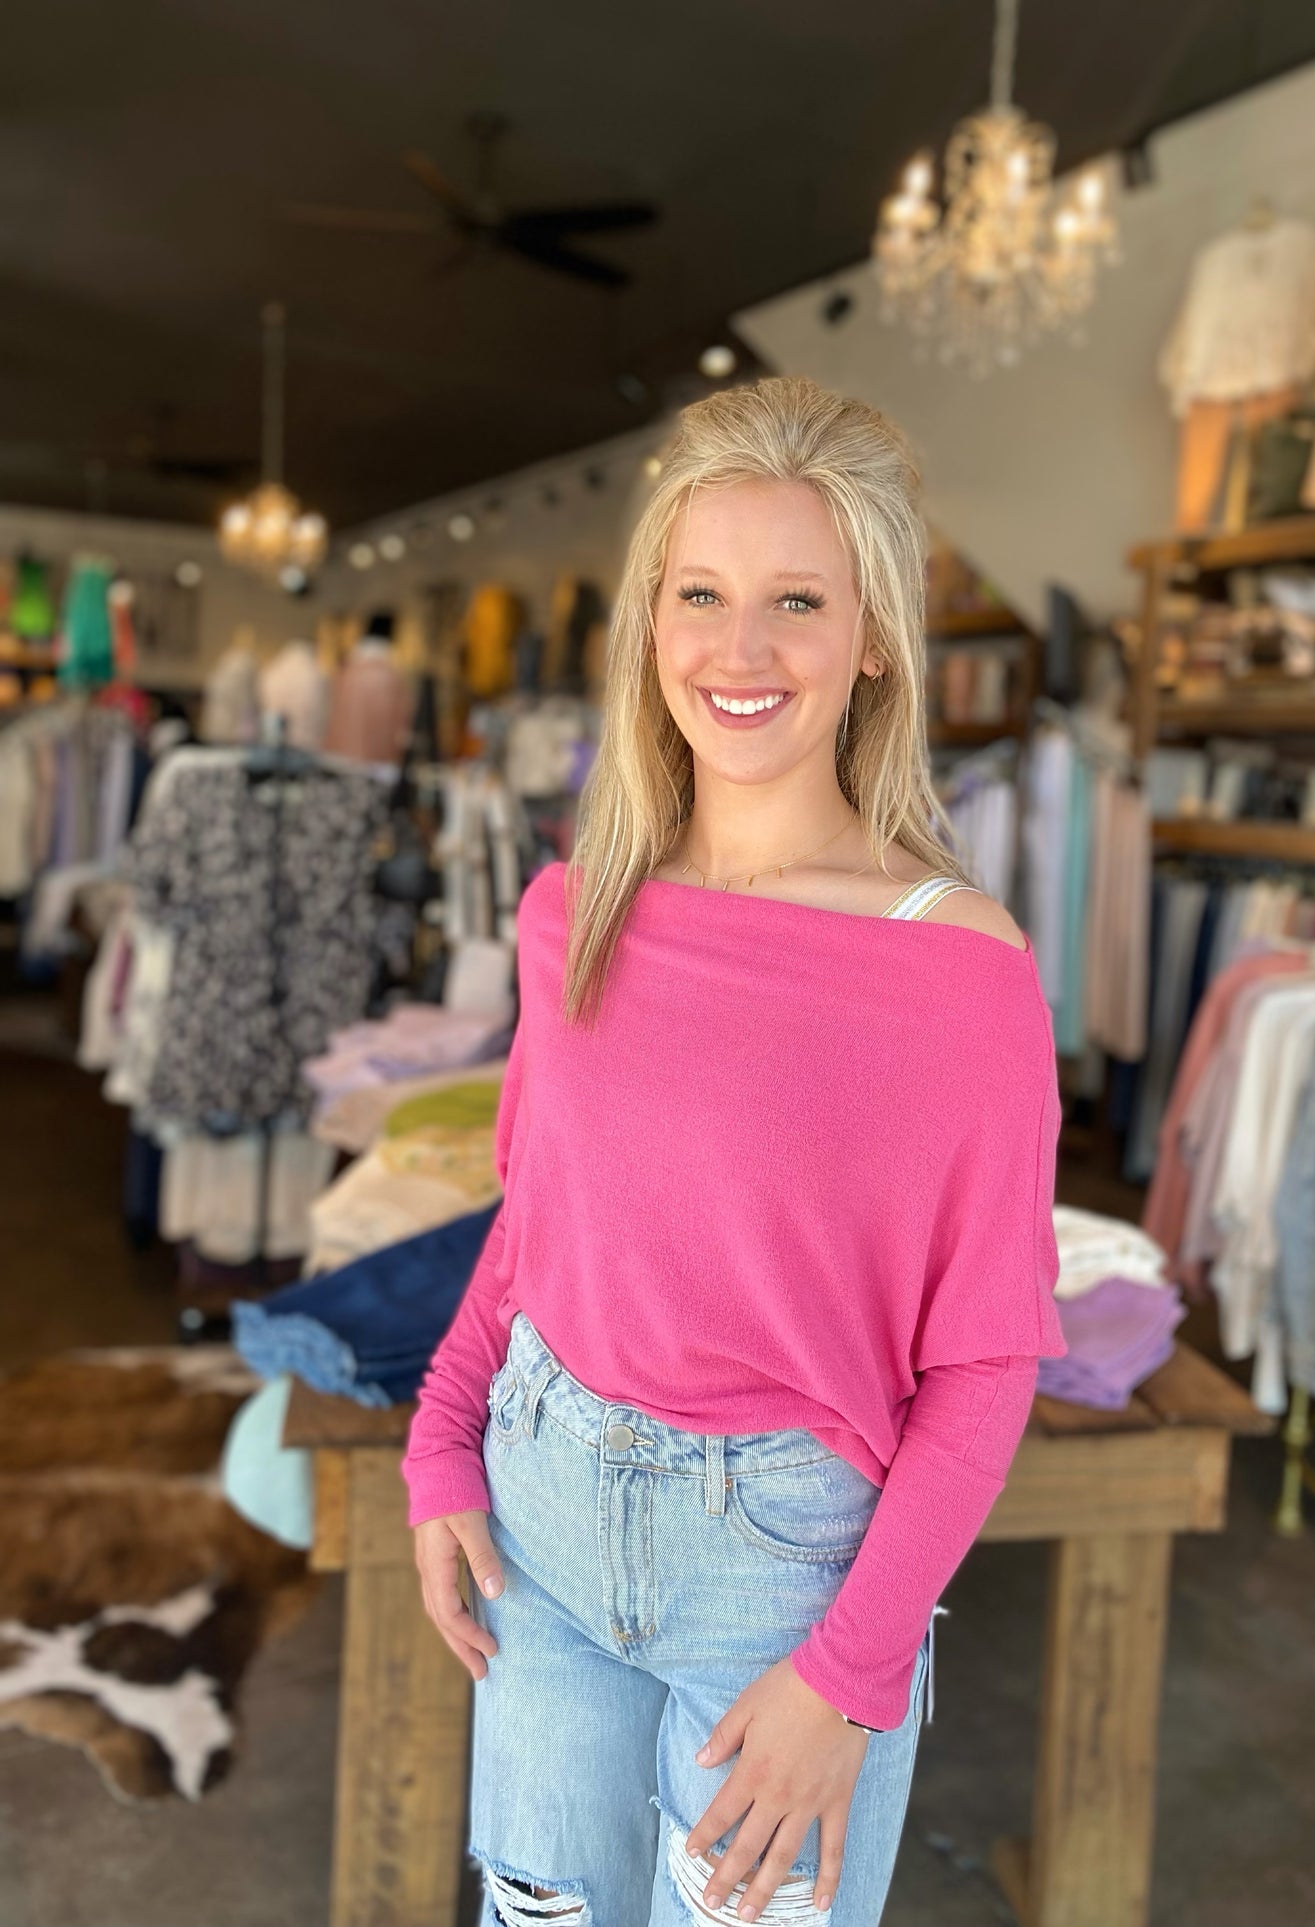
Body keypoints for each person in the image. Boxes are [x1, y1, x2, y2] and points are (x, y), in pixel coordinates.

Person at [401, 375, 1067, 1927]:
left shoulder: (953, 964)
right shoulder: (576, 907)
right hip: (540, 1524)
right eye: (698, 595)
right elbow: (536, 1222)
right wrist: (441, 1441)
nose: (739, 651)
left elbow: (980, 1365)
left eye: (795, 601)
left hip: (780, 1581)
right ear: (648, 622)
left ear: (874, 636)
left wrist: (849, 1678)